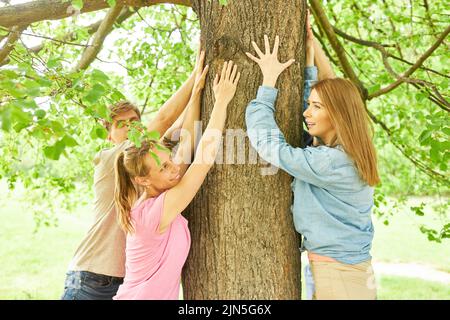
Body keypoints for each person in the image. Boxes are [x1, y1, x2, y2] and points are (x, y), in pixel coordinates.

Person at [244, 13, 379, 300]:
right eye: (309, 105)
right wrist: (310, 58)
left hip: (338, 278)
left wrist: (268, 84)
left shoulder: (329, 163)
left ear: (337, 116)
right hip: (345, 272)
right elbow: (335, 95)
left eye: (314, 107)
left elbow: (270, 147)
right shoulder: (351, 150)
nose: (306, 113)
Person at [61, 48, 208, 300]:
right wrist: (196, 74)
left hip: (128, 284)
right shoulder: (112, 158)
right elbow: (163, 119)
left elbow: (178, 131)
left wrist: (198, 94)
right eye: (121, 124)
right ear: (110, 135)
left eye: (134, 121)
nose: (130, 128)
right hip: (91, 280)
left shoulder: (146, 160)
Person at [112, 60, 240, 300]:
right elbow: (203, 158)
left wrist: (197, 92)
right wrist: (222, 101)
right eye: (164, 168)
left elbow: (189, 144)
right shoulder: (153, 213)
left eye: (169, 161)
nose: (175, 169)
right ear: (143, 180)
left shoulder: (161, 189)